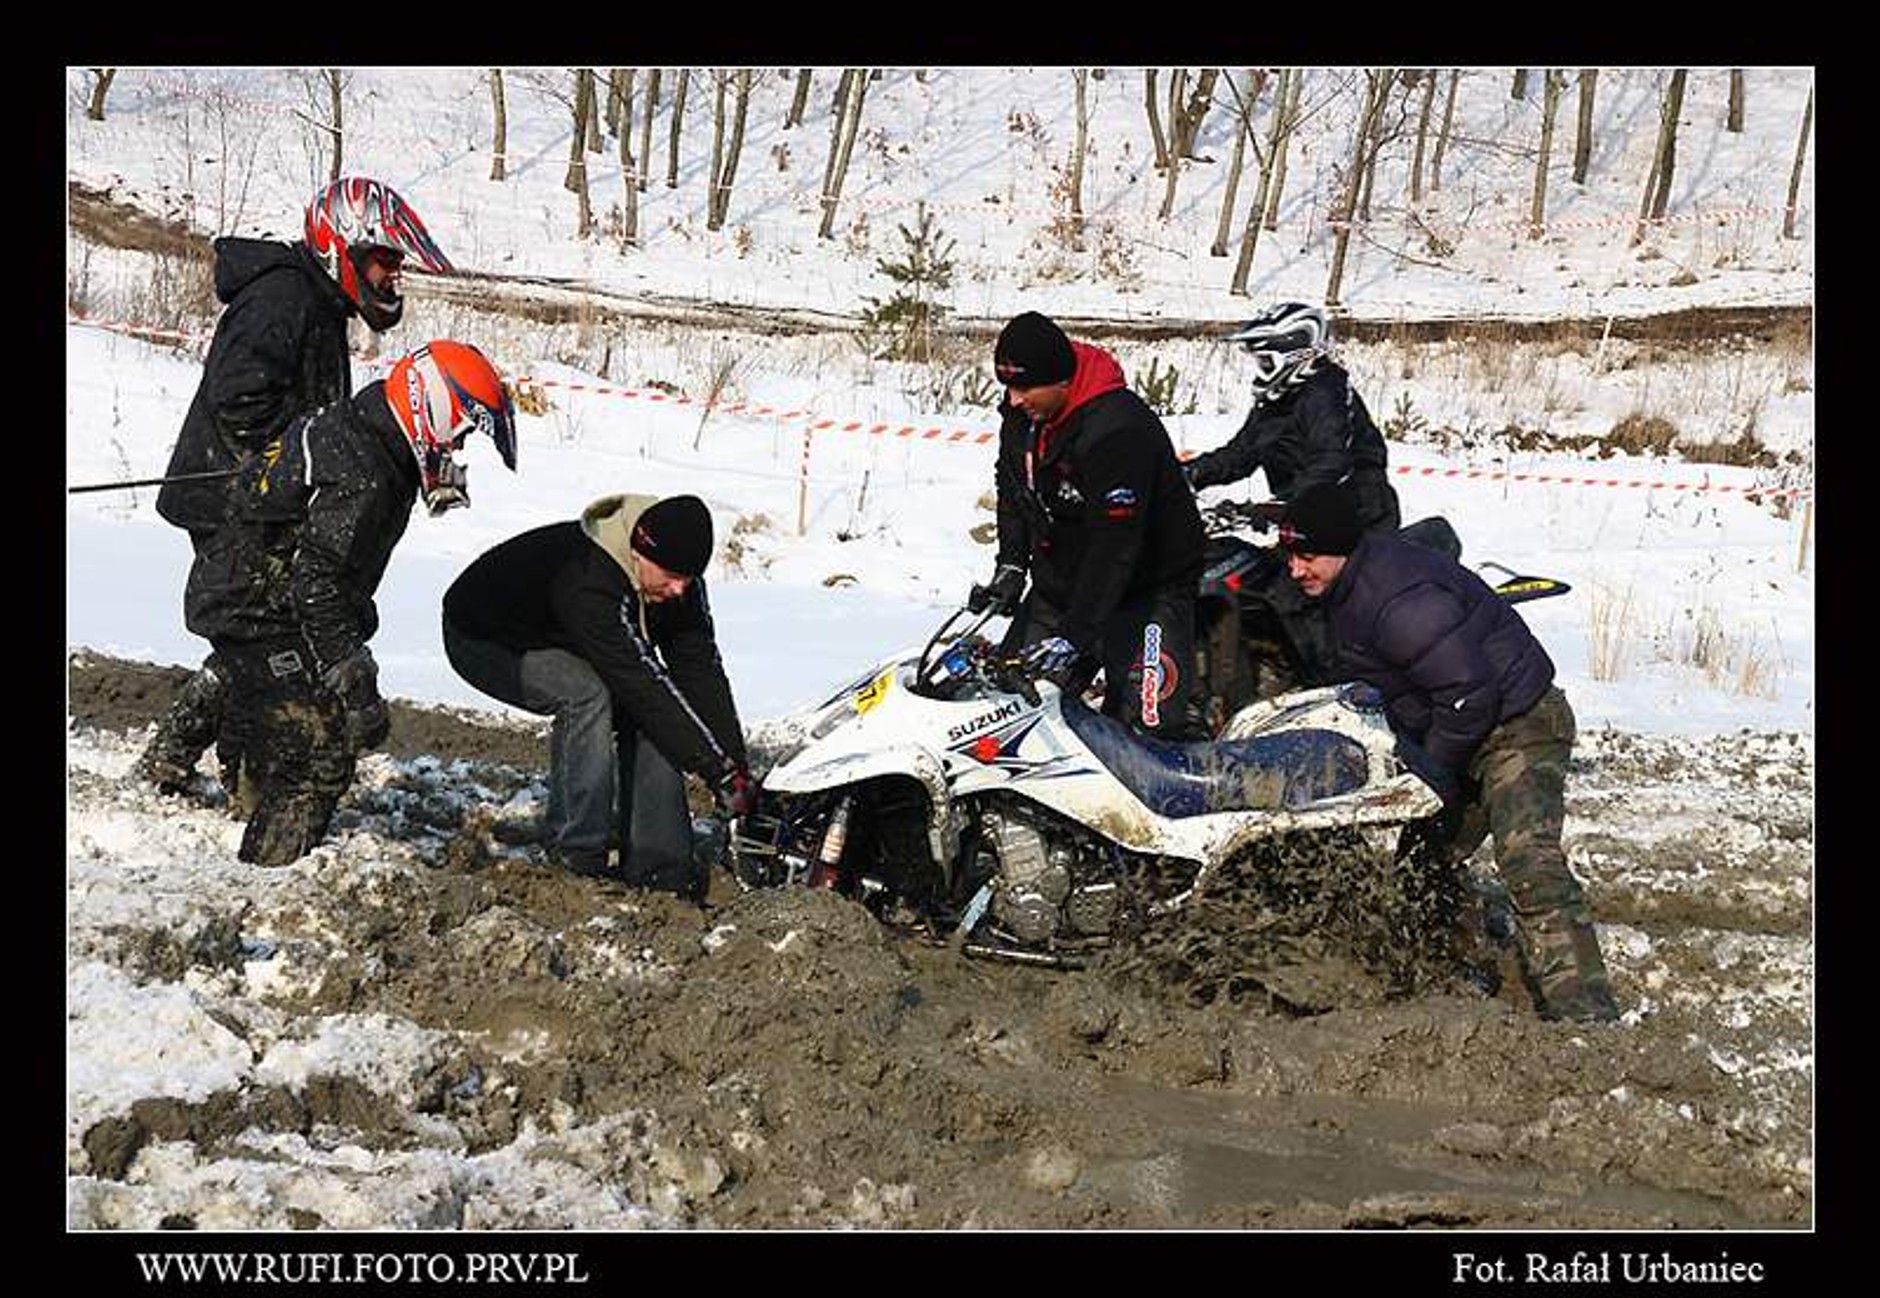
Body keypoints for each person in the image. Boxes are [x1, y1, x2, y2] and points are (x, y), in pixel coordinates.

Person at [136, 176, 453, 797]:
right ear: (343, 249)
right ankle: (240, 771)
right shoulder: (285, 298)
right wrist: (300, 459)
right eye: (385, 260)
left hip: (253, 493)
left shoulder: (318, 301)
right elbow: (239, 396)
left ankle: (186, 758)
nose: (394, 276)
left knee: (259, 633)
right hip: (228, 490)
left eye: (397, 264)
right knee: (266, 633)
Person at [1275, 481, 1618, 1023]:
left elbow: (1467, 694)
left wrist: (1433, 775)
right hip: (1456, 729)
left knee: (1528, 862)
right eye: (1289, 554)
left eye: (1306, 555)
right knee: (1419, 860)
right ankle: (1451, 979)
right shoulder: (1339, 589)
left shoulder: (1396, 601)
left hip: (1517, 726)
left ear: (1340, 546)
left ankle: (1587, 1017)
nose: (1295, 569)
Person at [188, 340, 516, 867]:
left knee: (253, 675)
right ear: (430, 408)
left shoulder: (366, 429)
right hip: (259, 603)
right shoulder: (366, 469)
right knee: (322, 747)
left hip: (241, 585)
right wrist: (352, 673)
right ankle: (269, 876)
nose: (458, 449)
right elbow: (316, 582)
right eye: (460, 434)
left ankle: (178, 757)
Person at [440, 494, 755, 896]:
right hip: (483, 636)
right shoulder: (590, 578)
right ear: (639, 551)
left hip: (562, 636)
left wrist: (733, 766)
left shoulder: (677, 580)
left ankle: (660, 866)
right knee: (587, 695)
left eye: (689, 579)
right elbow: (639, 681)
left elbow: (699, 669)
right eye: (672, 576)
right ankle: (576, 852)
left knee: (651, 711)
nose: (679, 590)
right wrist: (713, 767)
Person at [969, 311, 1205, 737]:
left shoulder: (1117, 431)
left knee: (1144, 729)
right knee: (1005, 709)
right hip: (1062, 579)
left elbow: (1116, 546)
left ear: (1061, 381)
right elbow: (1014, 489)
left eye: (1025, 387)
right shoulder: (1023, 416)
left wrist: (1075, 634)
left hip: (1147, 587)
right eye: (1008, 386)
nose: (1014, 399)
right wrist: (1011, 566)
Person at [1182, 301, 1400, 534]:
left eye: (1265, 361)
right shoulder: (1278, 400)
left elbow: (1332, 460)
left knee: (1296, 569)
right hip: (1306, 516)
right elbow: (1241, 453)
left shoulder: (1326, 391)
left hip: (1354, 518)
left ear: (1295, 355)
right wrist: (1189, 474)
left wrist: (1282, 505)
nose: (1261, 369)